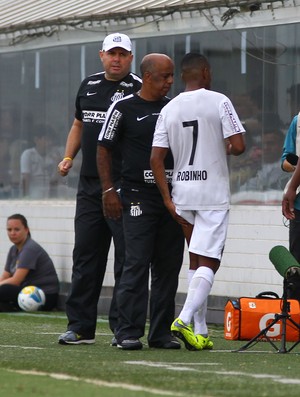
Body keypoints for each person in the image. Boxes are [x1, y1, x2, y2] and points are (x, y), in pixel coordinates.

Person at [150, 52, 245, 350]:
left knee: (195, 258)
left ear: (181, 76)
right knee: (211, 261)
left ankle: (200, 330)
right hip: (212, 193)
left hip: (182, 193)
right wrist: (223, 147)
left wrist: (167, 199)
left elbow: (156, 157)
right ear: (205, 71)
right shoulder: (219, 100)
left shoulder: (170, 107)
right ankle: (184, 318)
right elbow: (239, 146)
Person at [57, 33, 142, 345]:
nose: (116, 59)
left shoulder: (138, 89)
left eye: (122, 54)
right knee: (85, 257)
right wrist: (68, 157)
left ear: (131, 58)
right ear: (101, 55)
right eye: (111, 53)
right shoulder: (88, 84)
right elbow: (79, 124)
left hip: (124, 187)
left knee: (125, 259)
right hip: (89, 186)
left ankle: (122, 329)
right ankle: (80, 327)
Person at [97, 53, 185, 350]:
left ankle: (160, 333)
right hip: (136, 197)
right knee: (135, 264)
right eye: (165, 77)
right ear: (147, 77)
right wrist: (109, 190)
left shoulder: (174, 108)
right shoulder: (122, 108)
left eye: (172, 76)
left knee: (168, 266)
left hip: (171, 198)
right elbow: (103, 149)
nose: (170, 82)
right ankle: (127, 331)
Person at [0, 214, 59, 311]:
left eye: (17, 229)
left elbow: (16, 281)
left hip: (44, 295)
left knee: (4, 290)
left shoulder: (30, 249)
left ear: (26, 230)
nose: (12, 233)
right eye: (9, 230)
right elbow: (5, 276)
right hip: (26, 293)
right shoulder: (13, 249)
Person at [281, 113, 300, 300]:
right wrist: (295, 168)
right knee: (295, 266)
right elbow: (285, 160)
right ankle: (294, 318)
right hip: (299, 207)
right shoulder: (298, 121)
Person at [20, 125, 56, 199]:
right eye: (46, 139)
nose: (50, 143)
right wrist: (25, 196)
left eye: (51, 140)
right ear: (36, 140)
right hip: (35, 189)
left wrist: (58, 162)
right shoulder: (28, 154)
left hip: (51, 189)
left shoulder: (54, 155)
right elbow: (25, 177)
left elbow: (56, 180)